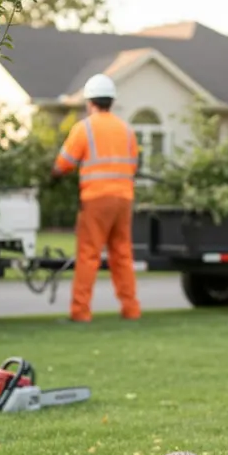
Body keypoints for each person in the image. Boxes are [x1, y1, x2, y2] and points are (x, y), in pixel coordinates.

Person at [49, 74, 142, 323]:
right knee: (122, 255)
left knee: (89, 255)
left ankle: (80, 312)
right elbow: (134, 165)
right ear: (112, 101)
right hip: (123, 198)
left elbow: (64, 163)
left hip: (96, 199)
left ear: (90, 102)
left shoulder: (85, 128)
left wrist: (53, 175)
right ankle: (131, 309)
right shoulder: (126, 130)